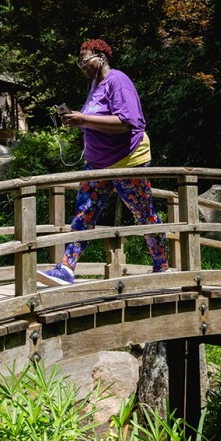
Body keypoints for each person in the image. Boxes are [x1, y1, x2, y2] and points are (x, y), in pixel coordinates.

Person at [37, 39, 170, 286]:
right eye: (79, 62)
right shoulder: (94, 85)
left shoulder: (118, 81)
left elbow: (126, 122)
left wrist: (84, 119)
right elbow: (94, 118)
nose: (81, 66)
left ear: (101, 57)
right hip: (97, 164)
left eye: (85, 60)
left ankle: (161, 266)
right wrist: (77, 120)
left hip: (127, 161)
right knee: (85, 213)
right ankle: (66, 268)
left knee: (143, 213)